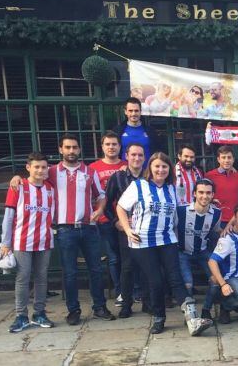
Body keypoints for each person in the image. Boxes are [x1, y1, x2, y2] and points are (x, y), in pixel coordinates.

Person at [116, 152, 212, 335]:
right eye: (157, 166)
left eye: (164, 167)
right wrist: (128, 230)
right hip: (143, 242)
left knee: (176, 279)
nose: (160, 170)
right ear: (150, 167)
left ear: (169, 169)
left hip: (167, 239)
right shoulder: (138, 186)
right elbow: (121, 207)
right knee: (156, 281)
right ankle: (159, 318)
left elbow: (178, 212)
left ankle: (193, 320)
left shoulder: (171, 188)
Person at [51, 134, 113, 325]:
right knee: (69, 272)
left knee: (96, 269)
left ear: (79, 150)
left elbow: (101, 195)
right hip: (64, 229)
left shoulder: (89, 172)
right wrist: (16, 178)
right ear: (61, 149)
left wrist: (100, 209)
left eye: (75, 147)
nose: (71, 151)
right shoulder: (52, 172)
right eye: (67, 147)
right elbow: (33, 179)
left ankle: (100, 307)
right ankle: (73, 310)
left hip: (88, 227)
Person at [1, 152, 56, 332]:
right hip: (22, 241)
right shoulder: (18, 187)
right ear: (28, 168)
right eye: (36, 167)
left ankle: (39, 313)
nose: (40, 170)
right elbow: (9, 217)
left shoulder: (50, 188)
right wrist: (5, 242)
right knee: (23, 278)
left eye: (43, 167)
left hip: (44, 240)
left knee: (41, 278)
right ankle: (21, 315)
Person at [105, 143, 147, 318]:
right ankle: (126, 304)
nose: (137, 158)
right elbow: (106, 204)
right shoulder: (118, 177)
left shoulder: (148, 177)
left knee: (147, 267)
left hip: (146, 229)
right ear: (127, 156)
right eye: (133, 155)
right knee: (127, 268)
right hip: (126, 230)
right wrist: (116, 222)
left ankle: (148, 302)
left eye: (140, 155)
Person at [88, 131, 127, 304]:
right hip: (105, 220)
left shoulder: (127, 165)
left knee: (129, 257)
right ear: (102, 146)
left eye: (114, 144)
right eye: (108, 144)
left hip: (126, 219)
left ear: (120, 147)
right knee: (114, 258)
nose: (111, 147)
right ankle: (120, 292)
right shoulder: (93, 168)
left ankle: (133, 290)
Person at [177, 179, 222, 320]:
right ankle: (191, 316)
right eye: (201, 192)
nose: (205, 196)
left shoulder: (216, 213)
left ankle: (206, 310)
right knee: (188, 284)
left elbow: (216, 232)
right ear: (194, 193)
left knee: (216, 280)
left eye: (208, 193)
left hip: (202, 251)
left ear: (213, 194)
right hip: (182, 252)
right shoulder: (181, 211)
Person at [112, 97, 161, 168]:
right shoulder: (118, 131)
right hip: (125, 174)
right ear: (125, 111)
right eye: (130, 111)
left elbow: (158, 152)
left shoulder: (150, 131)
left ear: (141, 111)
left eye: (136, 111)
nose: (133, 113)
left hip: (147, 173)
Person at [205, 145, 238, 226]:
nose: (226, 160)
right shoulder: (209, 176)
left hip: (234, 219)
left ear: (233, 159)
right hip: (216, 219)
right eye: (223, 157)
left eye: (229, 157)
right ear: (218, 159)